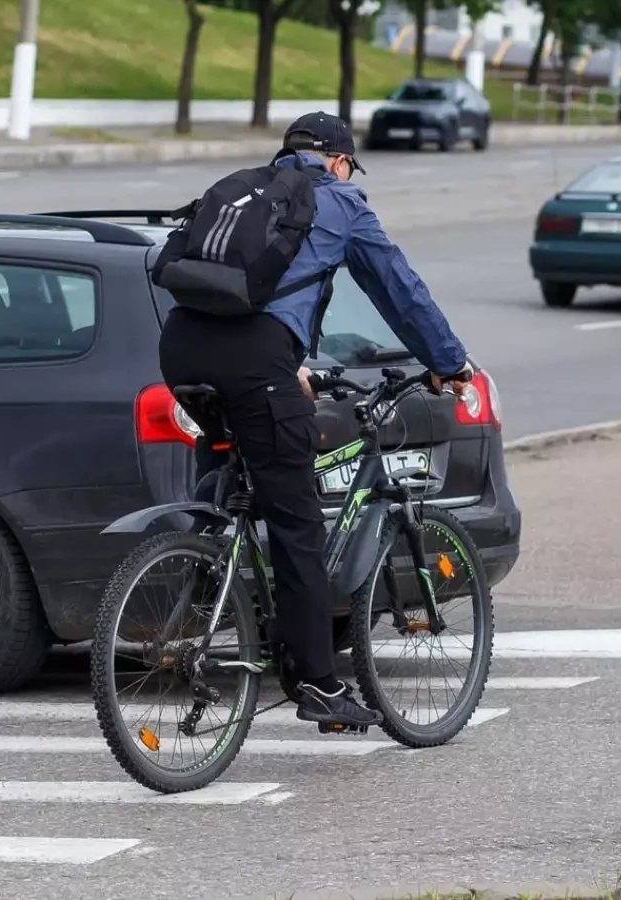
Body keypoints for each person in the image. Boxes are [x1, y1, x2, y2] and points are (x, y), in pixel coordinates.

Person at [157, 111, 473, 730]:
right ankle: (320, 686)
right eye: (350, 166)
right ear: (337, 160)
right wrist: (448, 361)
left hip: (182, 348)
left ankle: (205, 565)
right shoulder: (340, 201)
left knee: (234, 473)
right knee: (298, 522)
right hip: (256, 361)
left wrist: (286, 361)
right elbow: (398, 289)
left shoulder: (242, 188)